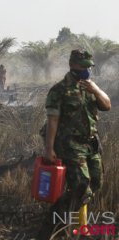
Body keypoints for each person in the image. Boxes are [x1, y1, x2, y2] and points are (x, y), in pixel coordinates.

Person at [37, 49, 111, 239]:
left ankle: (72, 225)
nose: (87, 70)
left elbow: (107, 105)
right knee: (81, 186)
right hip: (69, 145)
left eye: (89, 67)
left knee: (95, 183)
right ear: (73, 66)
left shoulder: (90, 87)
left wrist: (95, 90)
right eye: (84, 66)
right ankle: (52, 228)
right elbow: (52, 120)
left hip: (91, 145)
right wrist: (49, 148)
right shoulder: (59, 90)